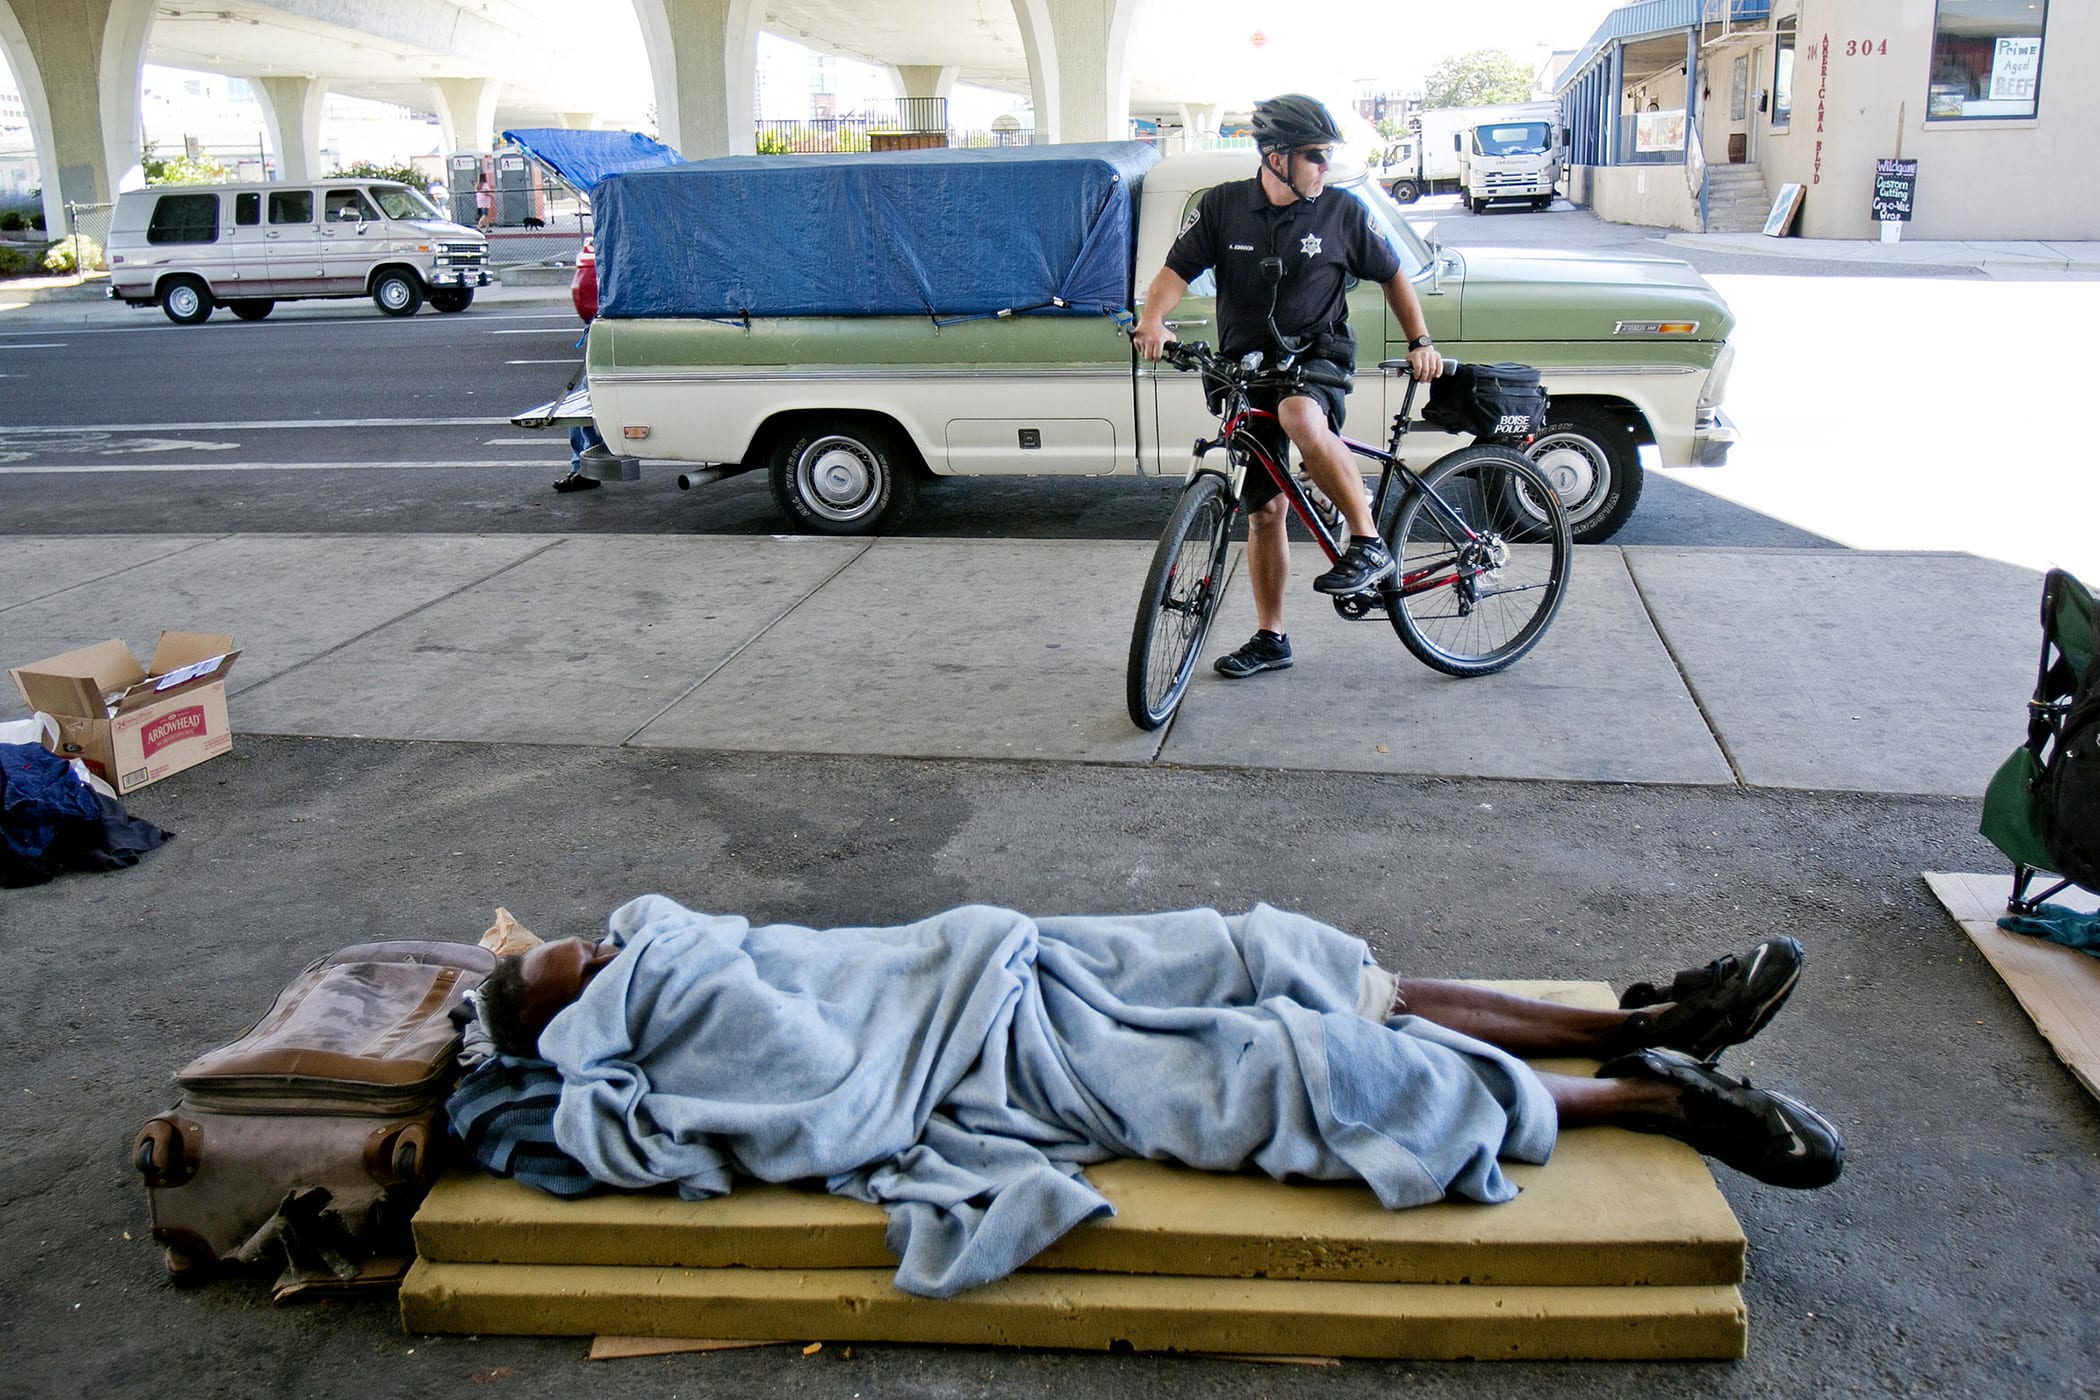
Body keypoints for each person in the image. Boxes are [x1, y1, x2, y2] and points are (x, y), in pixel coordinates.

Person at [463, 896, 1841, 1297]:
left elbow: (859, 955)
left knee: (1273, 950)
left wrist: (665, 947)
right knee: (1296, 1073)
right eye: (584, 966)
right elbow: (835, 1100)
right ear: (578, 1023)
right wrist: (655, 990)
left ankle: (1639, 1015)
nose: (608, 941)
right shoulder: (659, 1038)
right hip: (1005, 1069)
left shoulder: (679, 947)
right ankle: (1648, 1097)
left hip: (1017, 957)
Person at [1133, 94, 1445, 680]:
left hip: (1318, 357)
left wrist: (1419, 342)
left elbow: (1393, 274)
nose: (1325, 167)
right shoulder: (1223, 206)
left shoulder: (1342, 213)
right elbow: (1175, 272)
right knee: (1265, 512)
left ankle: (1368, 540)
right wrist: (1153, 320)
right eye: (1314, 157)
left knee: (1303, 418)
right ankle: (1272, 637)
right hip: (1248, 367)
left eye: (1326, 156)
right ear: (1276, 158)